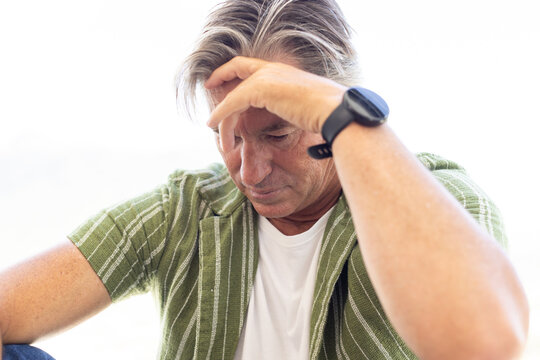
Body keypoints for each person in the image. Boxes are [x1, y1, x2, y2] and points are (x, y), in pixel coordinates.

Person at [0, 0, 529, 359]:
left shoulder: (433, 196)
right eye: (231, 139)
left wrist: (346, 117)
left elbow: (485, 343)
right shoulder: (188, 209)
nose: (250, 174)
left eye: (278, 135)